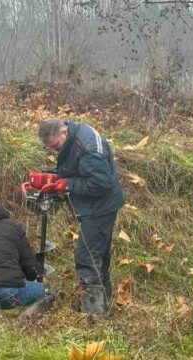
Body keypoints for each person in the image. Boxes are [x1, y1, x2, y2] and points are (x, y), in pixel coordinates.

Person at [37, 118, 125, 316]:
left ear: (63, 133)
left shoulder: (87, 148)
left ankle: (93, 314)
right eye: (50, 148)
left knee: (87, 257)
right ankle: (104, 304)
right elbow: (76, 166)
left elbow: (102, 183)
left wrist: (68, 184)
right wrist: (53, 177)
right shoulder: (74, 135)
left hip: (100, 206)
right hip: (95, 204)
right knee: (98, 253)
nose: (55, 151)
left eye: (56, 146)